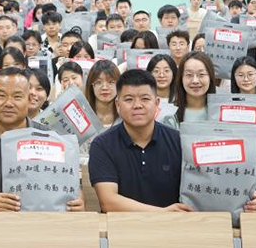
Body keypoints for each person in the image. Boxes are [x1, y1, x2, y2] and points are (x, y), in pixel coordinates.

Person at [0, 68, 83, 215]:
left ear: (29, 99)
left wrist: (78, 201)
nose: (9, 103)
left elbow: (73, 188)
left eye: (17, 97)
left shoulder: (51, 139)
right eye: (1, 96)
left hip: (44, 224)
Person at [90, 69, 189, 211]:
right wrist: (163, 212)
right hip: (121, 224)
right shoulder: (102, 145)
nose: (137, 105)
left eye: (145, 98)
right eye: (129, 99)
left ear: (157, 103)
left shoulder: (178, 141)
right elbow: (108, 202)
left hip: (172, 223)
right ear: (118, 105)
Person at [174, 51, 217, 124]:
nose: (195, 81)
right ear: (181, 78)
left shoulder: (220, 113)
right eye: (189, 75)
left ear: (210, 77)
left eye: (201, 74)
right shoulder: (171, 113)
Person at [84, 59, 120, 128]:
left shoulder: (125, 116)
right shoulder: (82, 115)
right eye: (98, 82)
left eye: (111, 82)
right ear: (91, 85)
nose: (105, 87)